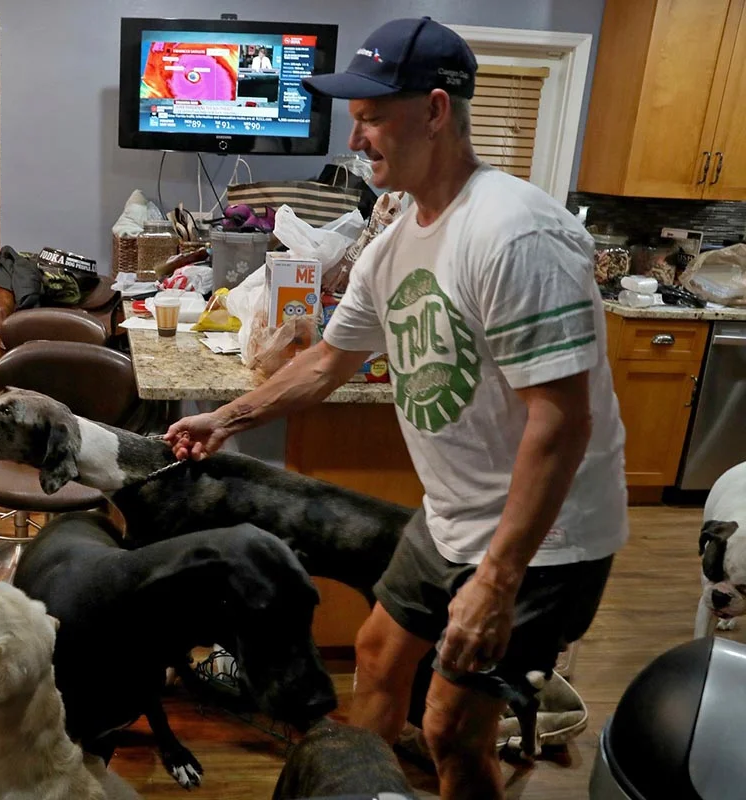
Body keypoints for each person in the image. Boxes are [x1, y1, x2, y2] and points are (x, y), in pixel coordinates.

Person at [165, 17, 628, 800]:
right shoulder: (395, 241)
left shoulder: (517, 234)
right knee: (378, 655)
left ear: (437, 111)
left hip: (545, 539)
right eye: (357, 119)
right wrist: (227, 418)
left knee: (450, 727)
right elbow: (327, 363)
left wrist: (497, 580)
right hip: (452, 518)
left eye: (375, 116)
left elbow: (562, 421)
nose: (361, 136)